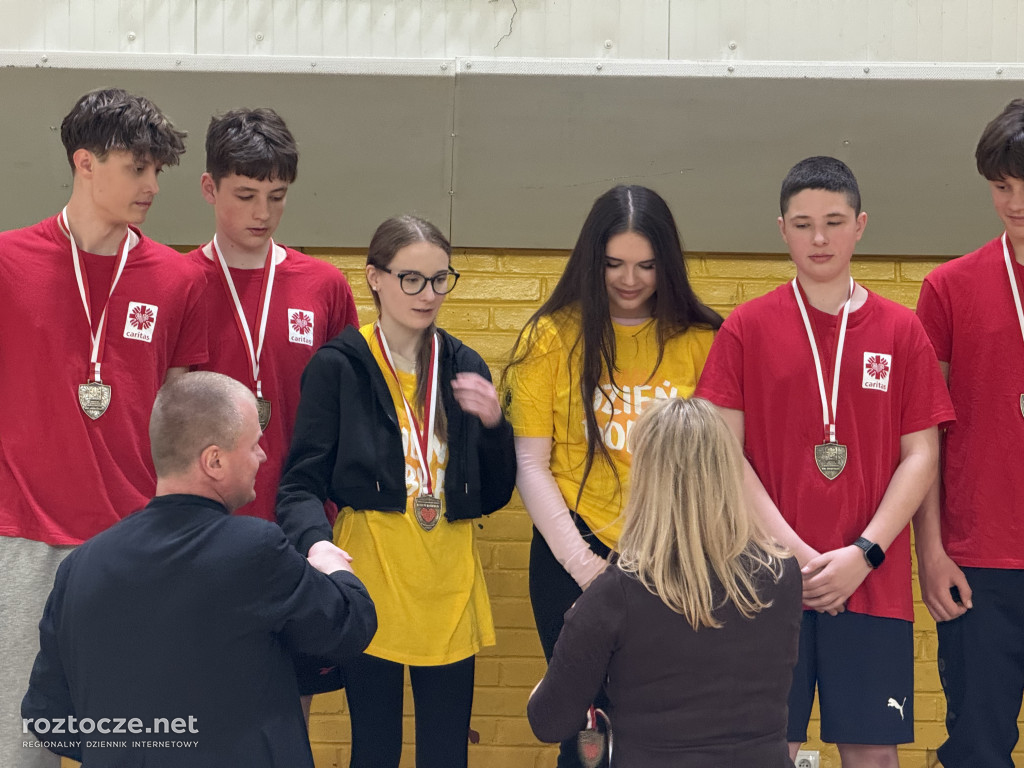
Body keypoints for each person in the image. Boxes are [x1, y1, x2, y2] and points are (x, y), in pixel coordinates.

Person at [696, 156, 955, 767]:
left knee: (872, 754)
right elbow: (722, 454)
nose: (819, 238)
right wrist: (801, 560)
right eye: (803, 224)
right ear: (781, 230)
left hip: (871, 583)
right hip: (764, 582)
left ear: (860, 225)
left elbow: (922, 455)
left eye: (834, 222)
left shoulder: (902, 331)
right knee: (763, 750)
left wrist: (863, 554)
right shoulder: (746, 328)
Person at [0, 88, 207, 768]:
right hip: (18, 538)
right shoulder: (7, 261)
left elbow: (179, 414)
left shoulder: (178, 279)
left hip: (132, 540)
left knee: (127, 745)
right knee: (18, 746)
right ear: (84, 162)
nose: (152, 186)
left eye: (157, 170)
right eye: (136, 168)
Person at [21, 371, 376, 767]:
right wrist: (331, 565)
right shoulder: (255, 549)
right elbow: (350, 628)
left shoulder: (78, 567)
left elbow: (48, 715)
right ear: (215, 461)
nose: (262, 456)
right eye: (254, 445)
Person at [276, 215, 516, 768]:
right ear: (375, 278)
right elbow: (299, 483)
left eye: (439, 279)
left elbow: (492, 495)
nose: (427, 294)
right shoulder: (339, 366)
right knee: (375, 750)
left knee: (446, 754)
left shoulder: (464, 365)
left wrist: (495, 429)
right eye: (411, 279)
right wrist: (315, 543)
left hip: (448, 587)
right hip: (372, 585)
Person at [502, 185, 721, 768]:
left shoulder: (702, 341)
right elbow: (531, 463)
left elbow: (721, 467)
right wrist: (586, 567)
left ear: (667, 264)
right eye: (614, 264)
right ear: (590, 260)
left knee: (664, 726)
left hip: (675, 557)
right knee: (585, 733)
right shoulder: (551, 336)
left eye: (646, 265)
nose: (630, 280)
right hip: (573, 553)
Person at [527, 396, 801, 767]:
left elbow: (549, 720)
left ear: (647, 480)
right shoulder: (782, 575)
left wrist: (577, 634)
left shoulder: (616, 594)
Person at [914, 99, 1024, 767]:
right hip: (979, 560)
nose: (1016, 203)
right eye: (1002, 186)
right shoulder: (948, 288)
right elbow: (922, 438)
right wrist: (930, 551)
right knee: (979, 750)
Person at [189, 107, 358, 525]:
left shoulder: (325, 285)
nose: (263, 213)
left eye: (277, 196)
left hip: (302, 516)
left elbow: (347, 405)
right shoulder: (180, 283)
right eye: (246, 196)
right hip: (205, 517)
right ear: (209, 188)